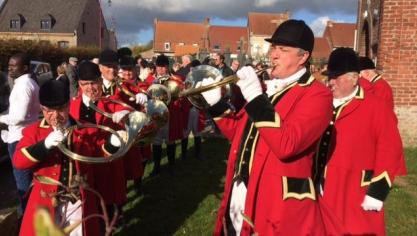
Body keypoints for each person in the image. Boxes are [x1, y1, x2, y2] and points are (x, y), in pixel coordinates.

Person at [200, 19, 332, 235]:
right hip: (240, 192)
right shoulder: (266, 89)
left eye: (283, 49)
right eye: (273, 47)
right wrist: (215, 105)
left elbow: (287, 144)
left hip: (275, 203)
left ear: (303, 57)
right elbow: (239, 135)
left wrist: (254, 96)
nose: (273, 55)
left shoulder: (317, 95)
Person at [314, 47, 406, 235]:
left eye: (336, 77)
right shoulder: (321, 103)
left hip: (355, 191)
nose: (330, 82)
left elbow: (390, 150)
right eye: (329, 76)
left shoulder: (377, 108)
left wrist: (377, 192)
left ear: (354, 78)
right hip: (321, 185)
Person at [13, 80, 123, 236]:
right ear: (42, 108)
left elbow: (101, 157)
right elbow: (18, 161)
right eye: (48, 111)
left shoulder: (85, 129)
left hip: (78, 201)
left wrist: (113, 143)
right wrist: (44, 145)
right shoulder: (34, 132)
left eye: (60, 110)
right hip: (45, 201)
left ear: (68, 105)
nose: (55, 116)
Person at [69, 61, 132, 221]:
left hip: (107, 161)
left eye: (94, 83)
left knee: (108, 200)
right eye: (85, 84)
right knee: (88, 202)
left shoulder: (110, 102)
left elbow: (130, 112)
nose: (90, 88)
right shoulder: (72, 106)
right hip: (83, 163)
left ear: (100, 82)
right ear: (79, 84)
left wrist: (126, 114)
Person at [0, 53, 40, 218]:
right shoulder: (27, 83)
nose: (10, 68)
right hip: (25, 135)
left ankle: (26, 218)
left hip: (20, 138)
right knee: (28, 180)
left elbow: (19, 116)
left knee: (22, 181)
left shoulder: (23, 86)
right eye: (9, 65)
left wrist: (1, 119)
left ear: (24, 67)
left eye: (13, 65)